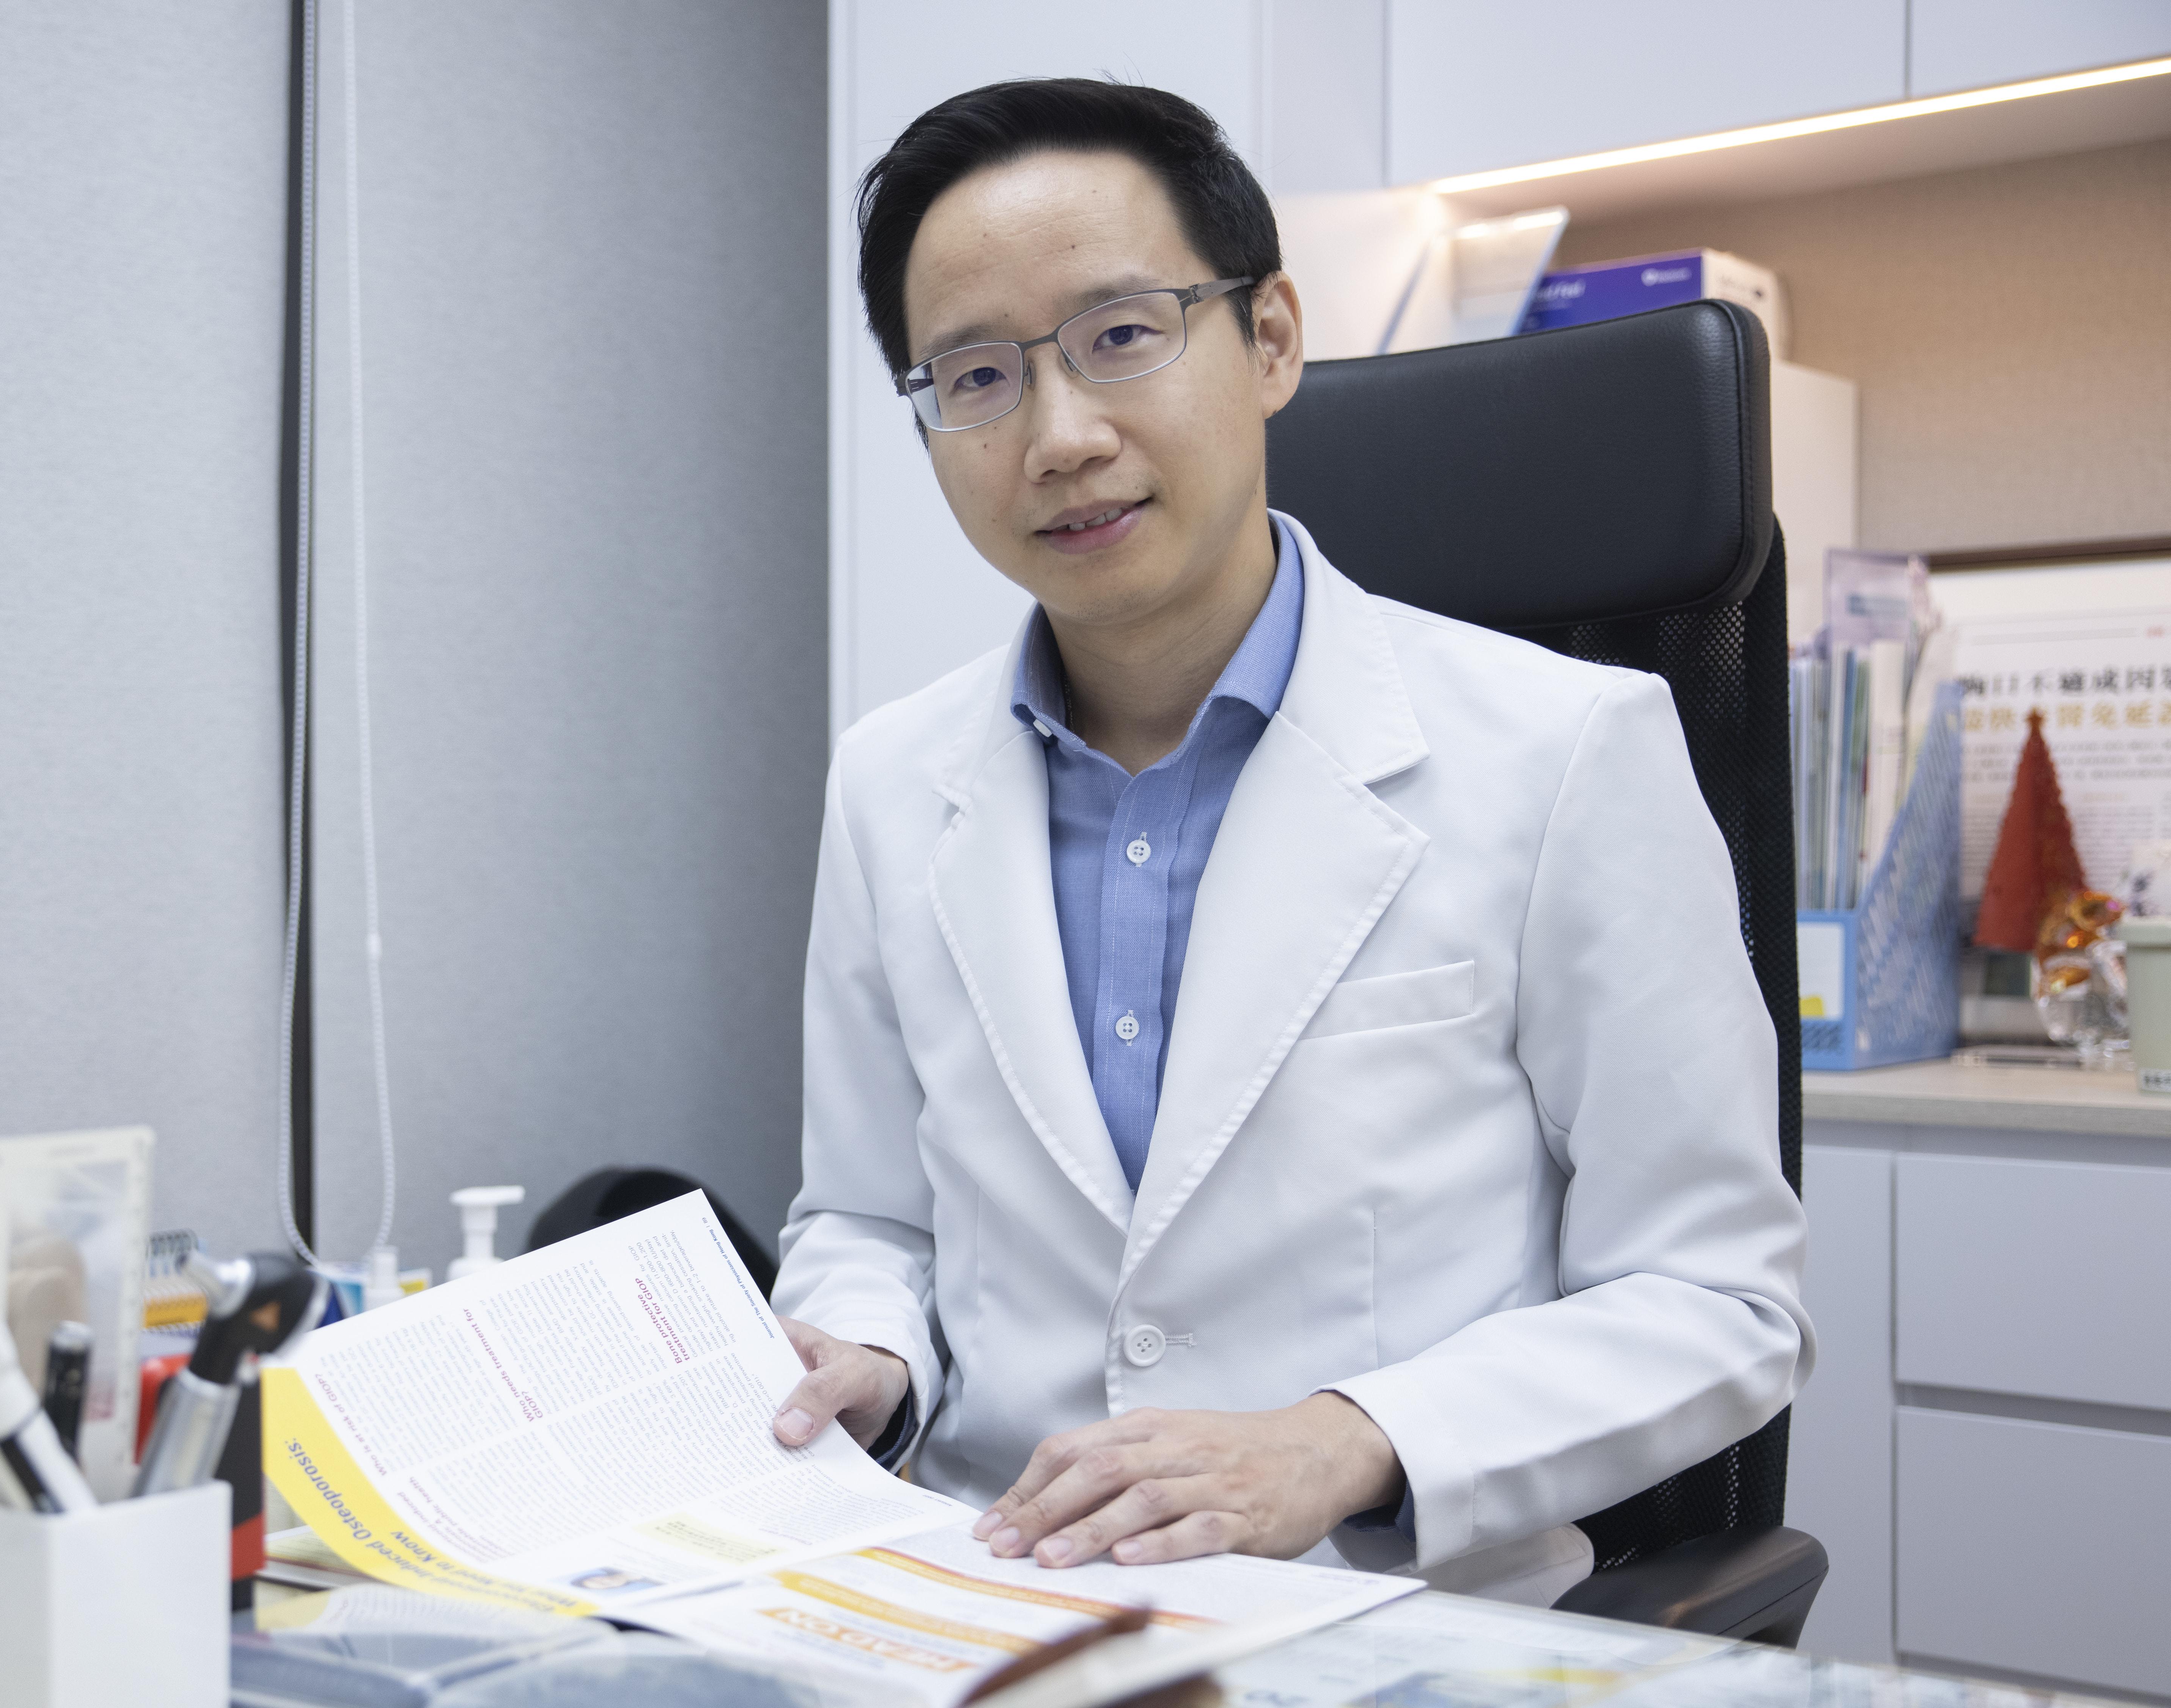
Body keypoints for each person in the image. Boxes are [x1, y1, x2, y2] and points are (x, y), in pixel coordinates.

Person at [764, 78, 1812, 1607]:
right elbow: (865, 1215)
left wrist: (1344, 1441)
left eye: (1122, 336)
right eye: (977, 377)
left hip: (1389, 1621)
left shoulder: (1566, 750)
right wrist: (870, 1348)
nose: (1060, 436)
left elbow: (1717, 1295)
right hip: (994, 1603)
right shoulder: (888, 782)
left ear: (1268, 340)